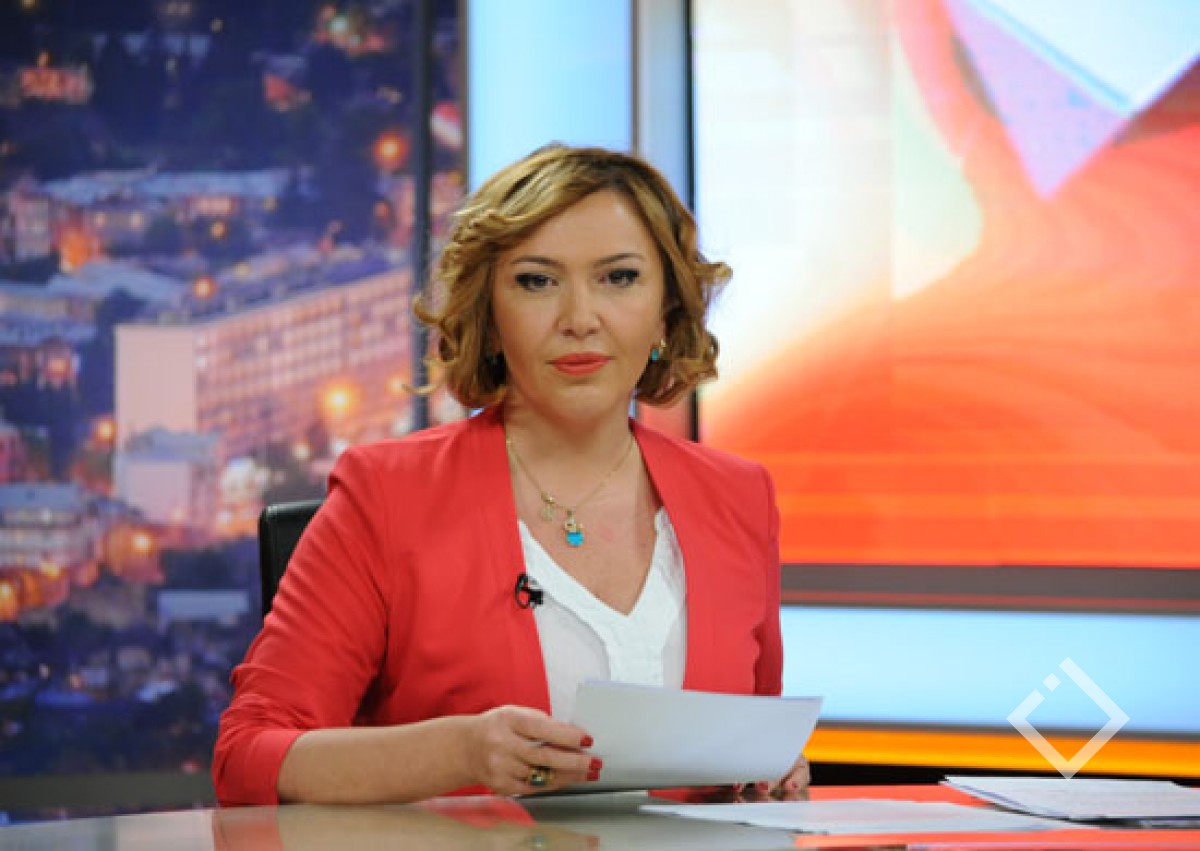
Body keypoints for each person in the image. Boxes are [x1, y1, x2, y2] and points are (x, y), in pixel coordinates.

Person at [212, 144, 808, 805]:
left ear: (666, 312)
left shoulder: (739, 496)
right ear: (489, 320)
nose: (580, 318)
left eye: (619, 278)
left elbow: (753, 743)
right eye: (537, 281)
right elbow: (248, 757)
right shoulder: (386, 495)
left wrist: (770, 773)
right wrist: (459, 752)